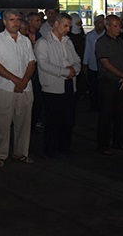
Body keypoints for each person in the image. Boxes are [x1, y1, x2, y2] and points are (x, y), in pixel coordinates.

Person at [0, 9, 36, 167]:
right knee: (2, 122)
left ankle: (21, 152)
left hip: (25, 88)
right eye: (12, 20)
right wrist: (16, 80)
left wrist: (24, 80)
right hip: (5, 88)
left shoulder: (25, 40)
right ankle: (0, 154)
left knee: (23, 123)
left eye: (17, 20)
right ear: (5, 22)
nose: (16, 22)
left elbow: (31, 63)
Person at [34, 13, 81, 157]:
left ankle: (64, 146)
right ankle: (50, 149)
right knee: (53, 120)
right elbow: (44, 65)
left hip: (69, 84)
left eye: (69, 26)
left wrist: (75, 70)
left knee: (68, 119)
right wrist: (66, 72)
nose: (67, 29)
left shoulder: (68, 41)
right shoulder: (44, 42)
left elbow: (77, 60)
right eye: (65, 25)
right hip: (52, 86)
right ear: (56, 24)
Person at [95, 15, 123, 155]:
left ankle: (119, 141)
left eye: (119, 25)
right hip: (108, 82)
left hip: (122, 81)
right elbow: (106, 63)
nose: (118, 28)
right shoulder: (101, 42)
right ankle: (103, 144)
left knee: (121, 114)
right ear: (107, 26)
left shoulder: (120, 42)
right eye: (115, 25)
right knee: (106, 114)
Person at [83, 14, 105, 112]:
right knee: (93, 87)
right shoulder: (90, 35)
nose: (101, 24)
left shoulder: (106, 35)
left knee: (103, 89)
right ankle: (93, 106)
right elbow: (87, 50)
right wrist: (85, 63)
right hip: (93, 65)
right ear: (95, 23)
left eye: (103, 22)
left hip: (104, 67)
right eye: (99, 22)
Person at [68, 13, 87, 98]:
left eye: (80, 23)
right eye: (77, 23)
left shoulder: (81, 34)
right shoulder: (68, 37)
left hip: (81, 60)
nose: (79, 25)